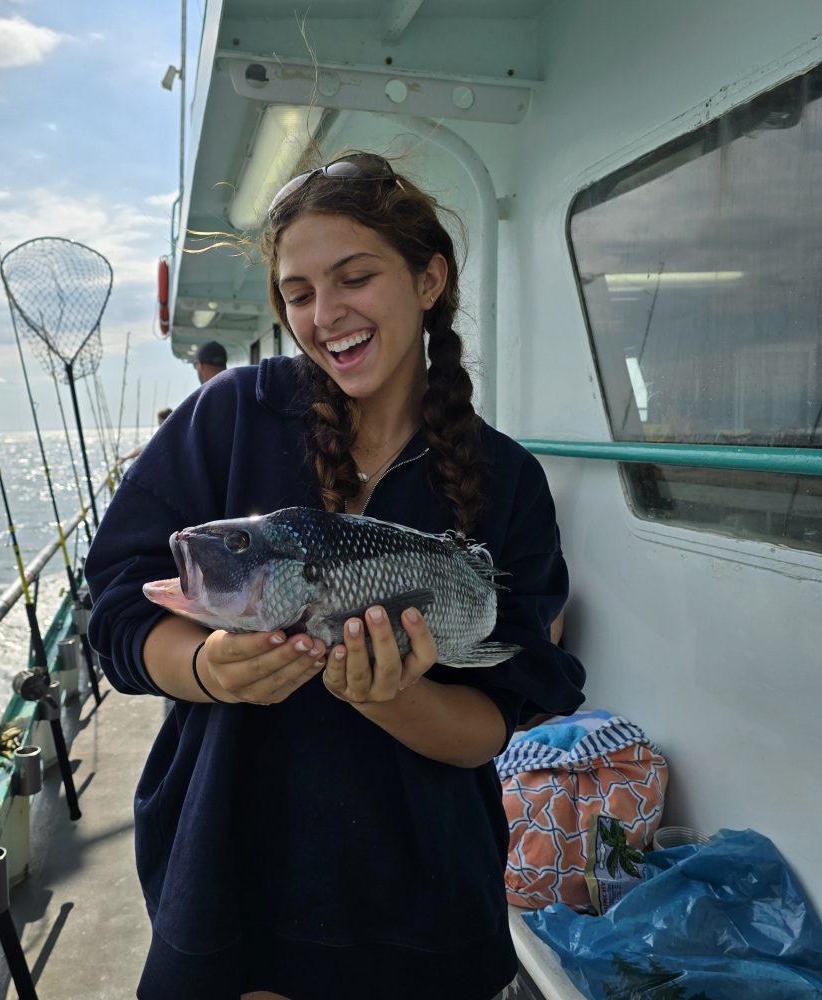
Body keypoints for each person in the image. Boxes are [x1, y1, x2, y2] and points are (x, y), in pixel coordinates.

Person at [85, 151, 586, 1000]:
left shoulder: (508, 482)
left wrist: (390, 693)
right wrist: (206, 670)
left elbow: (496, 720)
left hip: (421, 904)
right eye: (299, 292)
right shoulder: (228, 417)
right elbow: (120, 609)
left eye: (355, 277)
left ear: (429, 279)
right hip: (224, 874)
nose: (325, 315)